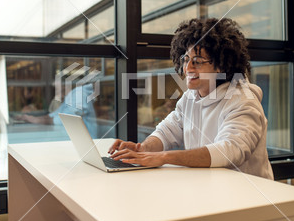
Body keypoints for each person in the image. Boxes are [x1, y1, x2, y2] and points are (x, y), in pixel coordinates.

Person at [109, 18, 274, 179]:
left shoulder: (243, 101)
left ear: (221, 65)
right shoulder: (190, 98)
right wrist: (143, 148)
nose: (187, 68)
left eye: (198, 61)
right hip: (208, 189)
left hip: (247, 197)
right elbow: (166, 132)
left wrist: (164, 157)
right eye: (186, 59)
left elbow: (230, 151)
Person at [16, 83, 98, 138]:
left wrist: (35, 120)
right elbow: (54, 114)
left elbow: (68, 118)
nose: (60, 94)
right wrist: (29, 118)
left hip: (88, 141)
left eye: (62, 90)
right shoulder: (69, 98)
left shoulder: (79, 93)